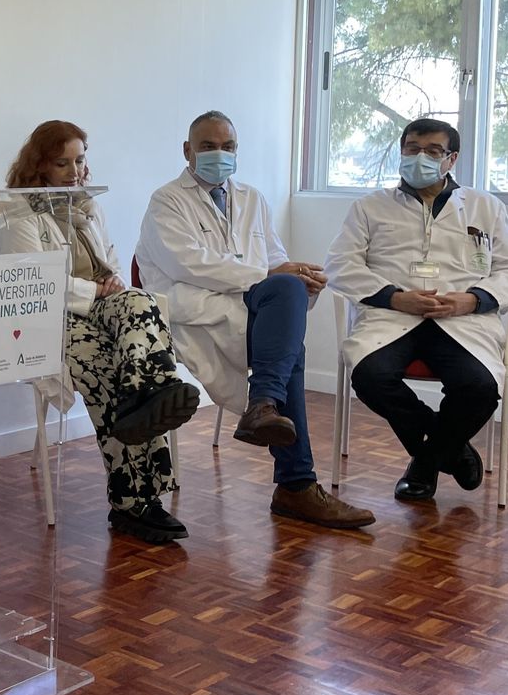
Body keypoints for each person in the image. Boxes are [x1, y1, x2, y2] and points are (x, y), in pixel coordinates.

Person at [136, 111, 374, 529]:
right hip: (194, 311)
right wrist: (273, 277)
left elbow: (275, 259)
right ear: (187, 150)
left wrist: (302, 278)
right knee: (288, 351)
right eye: (208, 146)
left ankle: (266, 411)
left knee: (289, 296)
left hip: (247, 307)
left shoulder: (252, 198)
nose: (219, 154)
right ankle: (294, 481)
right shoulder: (166, 200)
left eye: (228, 147)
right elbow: (188, 264)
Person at [0, 121, 201, 542]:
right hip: (52, 318)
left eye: (79, 160)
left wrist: (111, 281)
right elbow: (37, 283)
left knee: (141, 303)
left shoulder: (88, 205)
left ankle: (151, 394)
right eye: (62, 163)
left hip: (100, 304)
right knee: (111, 373)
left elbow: (109, 259)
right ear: (39, 166)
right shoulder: (17, 211)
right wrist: (96, 288)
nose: (74, 171)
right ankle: (134, 501)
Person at [324, 118, 508, 501]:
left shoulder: (485, 207)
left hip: (461, 321)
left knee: (480, 388)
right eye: (413, 148)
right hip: (392, 317)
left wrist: (472, 299)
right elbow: (340, 264)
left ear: (451, 159)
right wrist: (393, 296)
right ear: (401, 151)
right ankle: (451, 450)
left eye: (433, 151)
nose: (421, 157)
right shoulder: (370, 207)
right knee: (370, 376)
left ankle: (425, 462)